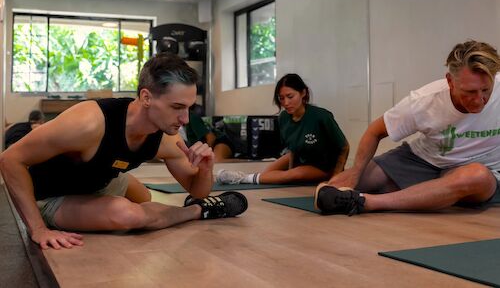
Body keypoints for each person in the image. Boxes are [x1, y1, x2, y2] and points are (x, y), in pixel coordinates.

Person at [0, 55, 247, 250]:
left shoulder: (164, 138)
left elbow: (197, 190)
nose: (185, 119)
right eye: (177, 107)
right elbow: (10, 159)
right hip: (51, 194)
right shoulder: (89, 123)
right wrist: (37, 229)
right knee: (126, 214)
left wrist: (205, 169)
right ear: (146, 97)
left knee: (146, 200)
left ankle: (167, 203)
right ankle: (197, 211)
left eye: (189, 108)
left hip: (99, 181)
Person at [314, 40, 500, 215]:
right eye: (469, 92)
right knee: (332, 190)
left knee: (477, 176)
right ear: (450, 81)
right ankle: (425, 192)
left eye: (486, 90)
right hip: (422, 161)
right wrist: (354, 173)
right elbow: (375, 131)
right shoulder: (425, 100)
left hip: (477, 170)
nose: (479, 99)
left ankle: (369, 202)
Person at [216, 73, 349, 184]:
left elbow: (344, 147)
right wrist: (289, 176)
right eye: (281, 98)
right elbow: (293, 150)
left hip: (324, 167)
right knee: (268, 175)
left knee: (293, 174)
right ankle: (250, 176)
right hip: (301, 158)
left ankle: (242, 178)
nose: (286, 103)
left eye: (290, 97)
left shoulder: (321, 116)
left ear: (303, 93)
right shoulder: (284, 118)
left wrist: (335, 178)